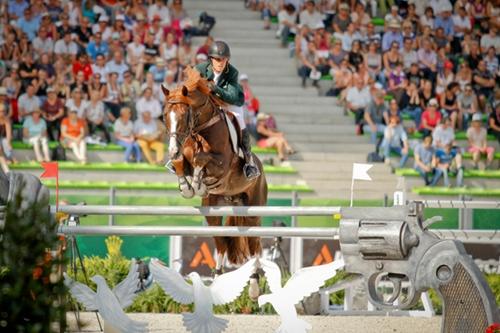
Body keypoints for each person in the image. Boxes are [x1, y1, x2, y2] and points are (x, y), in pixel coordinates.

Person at [194, 40, 260, 180]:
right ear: (211, 59)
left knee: (240, 121)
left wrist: (215, 88)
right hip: (210, 102)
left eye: (224, 59)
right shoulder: (200, 69)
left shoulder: (232, 72)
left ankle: (249, 161)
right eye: (217, 59)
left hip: (231, 102)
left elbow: (230, 96)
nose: (221, 62)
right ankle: (179, 154)